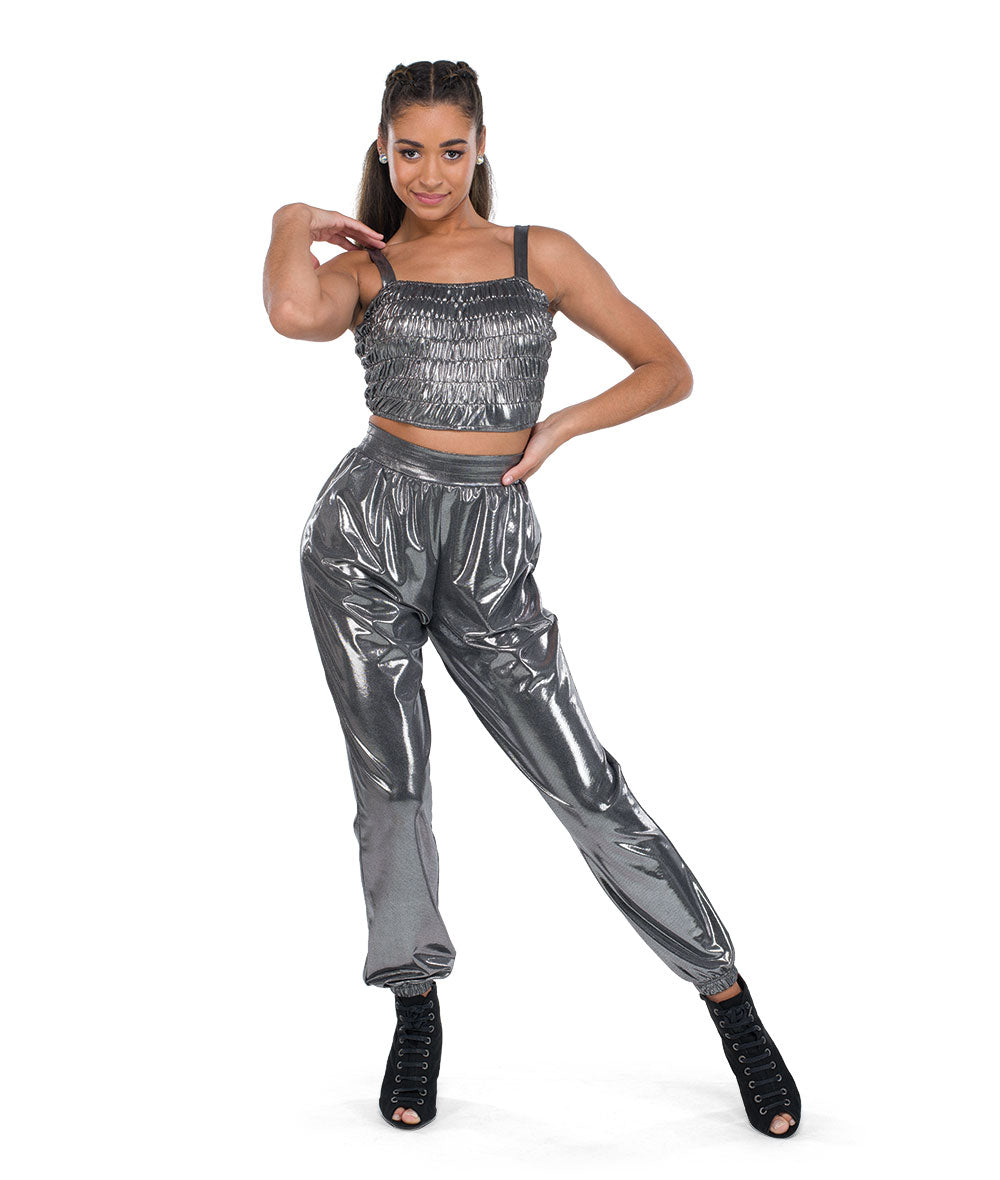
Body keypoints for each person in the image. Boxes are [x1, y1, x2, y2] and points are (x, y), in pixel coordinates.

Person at [263, 58, 801, 1139]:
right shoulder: (369, 270)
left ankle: (725, 995)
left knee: (585, 785)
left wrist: (556, 428)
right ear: (382, 151)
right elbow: (289, 308)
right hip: (366, 531)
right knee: (391, 788)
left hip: (487, 541)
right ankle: (414, 1004)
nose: (429, 172)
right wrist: (289, 218)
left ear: (480, 148)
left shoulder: (537, 254)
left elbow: (665, 368)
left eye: (450, 150)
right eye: (408, 151)